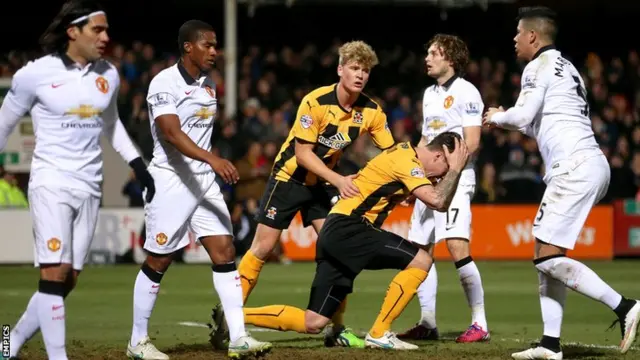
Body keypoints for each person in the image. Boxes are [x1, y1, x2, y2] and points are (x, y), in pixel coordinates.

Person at [211, 40, 396, 349]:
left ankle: (335, 330)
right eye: (354, 68)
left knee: (339, 248)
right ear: (340, 70)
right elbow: (303, 155)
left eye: (365, 70)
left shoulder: (372, 112)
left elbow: (391, 155)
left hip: (321, 186)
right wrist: (339, 180)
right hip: (288, 180)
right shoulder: (315, 102)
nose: (360, 75)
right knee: (262, 248)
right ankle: (231, 320)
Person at [0, 1, 156, 359]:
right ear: (73, 31)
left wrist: (138, 163)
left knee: (66, 280)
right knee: (54, 273)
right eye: (97, 30)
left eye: (106, 29)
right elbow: (4, 123)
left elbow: (112, 124)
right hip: (51, 182)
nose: (106, 37)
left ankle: (8, 342)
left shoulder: (109, 75)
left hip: (90, 187)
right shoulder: (34, 74)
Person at [483, 6, 640, 359]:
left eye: (518, 33)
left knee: (545, 258)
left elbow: (521, 117)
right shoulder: (567, 68)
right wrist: (505, 118)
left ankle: (625, 306)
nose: (514, 39)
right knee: (547, 254)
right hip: (589, 162)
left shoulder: (536, 67)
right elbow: (534, 121)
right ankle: (550, 344)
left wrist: (497, 116)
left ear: (533, 36)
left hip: (574, 166)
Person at [238, 132, 468, 350]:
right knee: (422, 260)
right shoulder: (408, 161)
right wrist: (456, 169)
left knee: (314, 322)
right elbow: (438, 201)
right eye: (444, 169)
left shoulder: (404, 153)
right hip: (351, 227)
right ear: (438, 155)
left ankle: (234, 315)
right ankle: (379, 333)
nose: (440, 176)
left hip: (335, 230)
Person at [126, 20, 271, 360]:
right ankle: (137, 341)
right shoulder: (164, 82)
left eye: (216, 45)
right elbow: (170, 133)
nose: (214, 52)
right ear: (188, 47)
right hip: (171, 180)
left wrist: (209, 164)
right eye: (208, 45)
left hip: (203, 181)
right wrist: (213, 159)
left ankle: (238, 337)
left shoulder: (209, 84)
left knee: (224, 250)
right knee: (159, 259)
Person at [398, 34, 489, 343]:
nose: (427, 57)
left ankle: (480, 323)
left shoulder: (467, 92)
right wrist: (414, 176)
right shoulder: (428, 94)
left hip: (458, 178)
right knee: (419, 249)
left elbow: (473, 142)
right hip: (429, 179)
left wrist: (448, 173)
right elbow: (425, 141)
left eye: (434, 53)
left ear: (450, 59)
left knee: (456, 246)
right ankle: (427, 322)